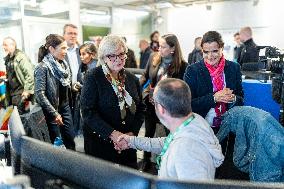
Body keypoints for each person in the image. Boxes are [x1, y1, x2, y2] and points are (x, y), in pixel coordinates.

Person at [116, 78, 224, 180]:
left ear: (160, 109)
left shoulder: (187, 150)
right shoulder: (194, 121)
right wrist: (132, 141)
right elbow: (169, 142)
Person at [183, 31, 245, 180]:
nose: (211, 56)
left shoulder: (233, 68)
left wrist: (232, 98)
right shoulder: (193, 71)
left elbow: (241, 99)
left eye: (215, 51)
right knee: (202, 170)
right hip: (202, 128)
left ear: (222, 48)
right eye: (206, 52)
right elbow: (187, 105)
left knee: (223, 170)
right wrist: (214, 98)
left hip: (226, 128)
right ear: (202, 51)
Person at [80, 35, 145, 169]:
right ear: (103, 57)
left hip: (127, 143)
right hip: (101, 144)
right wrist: (113, 134)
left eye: (121, 54)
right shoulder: (93, 77)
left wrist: (132, 133)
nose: (118, 59)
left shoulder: (132, 79)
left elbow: (141, 108)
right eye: (112, 56)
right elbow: (88, 112)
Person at [139, 34, 188, 171]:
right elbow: (145, 76)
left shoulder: (183, 67)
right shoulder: (153, 58)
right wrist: (140, 90)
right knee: (148, 133)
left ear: (173, 48)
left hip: (169, 108)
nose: (158, 48)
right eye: (159, 45)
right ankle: (145, 159)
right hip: (151, 104)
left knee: (171, 136)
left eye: (163, 46)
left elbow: (181, 89)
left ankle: (170, 162)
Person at [35, 34, 75, 150]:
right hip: (52, 111)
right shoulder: (42, 67)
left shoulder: (63, 65)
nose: (66, 51)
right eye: (63, 48)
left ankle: (73, 165)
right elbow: (39, 94)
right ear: (52, 49)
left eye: (66, 48)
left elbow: (65, 87)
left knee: (70, 139)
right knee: (56, 144)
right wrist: (54, 113)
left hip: (65, 107)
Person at [2, 37, 34, 114]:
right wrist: (5, 78)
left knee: (23, 120)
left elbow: (30, 74)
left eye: (6, 45)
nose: (4, 47)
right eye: (3, 45)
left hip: (21, 94)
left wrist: (27, 91)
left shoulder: (20, 57)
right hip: (13, 95)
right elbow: (13, 74)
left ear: (13, 45)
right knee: (17, 120)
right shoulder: (8, 59)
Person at [72, 43, 98, 135]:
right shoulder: (82, 65)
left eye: (84, 54)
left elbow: (96, 88)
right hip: (82, 100)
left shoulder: (97, 67)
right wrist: (76, 86)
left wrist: (82, 87)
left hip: (93, 104)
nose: (81, 57)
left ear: (92, 54)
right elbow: (81, 81)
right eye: (80, 54)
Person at [63, 24, 81, 120]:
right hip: (65, 92)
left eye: (75, 34)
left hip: (79, 91)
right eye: (70, 33)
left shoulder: (82, 51)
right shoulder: (60, 52)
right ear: (64, 35)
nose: (73, 36)